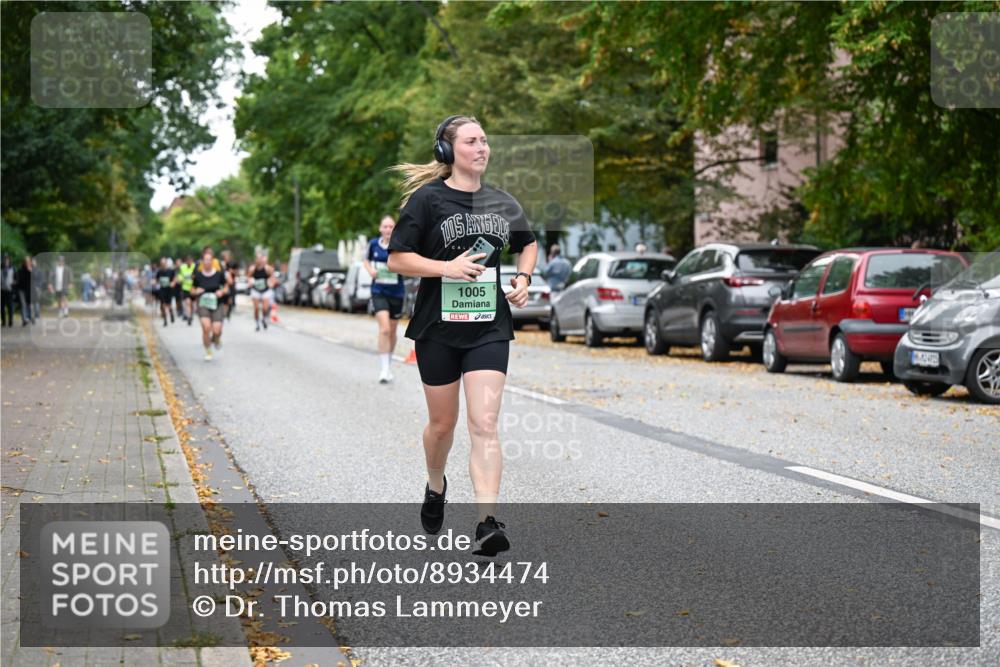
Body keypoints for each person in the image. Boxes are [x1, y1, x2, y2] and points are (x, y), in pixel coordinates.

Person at [387, 114, 537, 556]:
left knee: (484, 424)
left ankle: (486, 522)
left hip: (488, 327)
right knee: (442, 424)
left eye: (485, 141)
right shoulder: (426, 201)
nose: (482, 148)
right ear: (447, 151)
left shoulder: (503, 202)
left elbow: (526, 242)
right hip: (438, 329)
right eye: (472, 141)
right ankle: (436, 486)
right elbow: (398, 259)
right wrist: (445, 268)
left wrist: (524, 279)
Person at [364, 215, 405, 383]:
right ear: (380, 229)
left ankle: (388, 362)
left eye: (391, 227)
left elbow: (407, 263)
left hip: (396, 293)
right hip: (378, 290)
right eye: (385, 227)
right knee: (385, 329)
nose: (388, 229)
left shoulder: (400, 244)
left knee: (393, 332)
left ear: (395, 229)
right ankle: (384, 369)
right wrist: (371, 271)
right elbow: (366, 260)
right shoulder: (373, 244)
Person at [191, 247, 229, 361]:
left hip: (217, 303)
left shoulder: (218, 274)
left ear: (213, 261)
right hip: (203, 303)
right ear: (202, 261)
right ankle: (208, 351)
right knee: (206, 327)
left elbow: (226, 287)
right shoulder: (198, 275)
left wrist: (222, 292)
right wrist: (196, 291)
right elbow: (192, 290)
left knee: (217, 330)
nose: (207, 262)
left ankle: (216, 338)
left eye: (209, 260)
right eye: (205, 260)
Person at [247, 252, 276, 332]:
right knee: (256, 308)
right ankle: (257, 323)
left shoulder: (267, 268)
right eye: (257, 258)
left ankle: (264, 318)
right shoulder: (252, 269)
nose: (259, 260)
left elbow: (273, 277)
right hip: (256, 289)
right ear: (255, 260)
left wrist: (271, 283)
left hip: (265, 290)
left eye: (260, 258)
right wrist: (250, 282)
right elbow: (248, 277)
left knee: (265, 308)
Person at [154, 257, 176, 327]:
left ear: (166, 263)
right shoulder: (159, 271)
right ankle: (165, 320)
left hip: (169, 290)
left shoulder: (171, 271)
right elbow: (156, 279)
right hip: (162, 290)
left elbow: (175, 279)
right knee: (163, 305)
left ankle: (171, 313)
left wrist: (173, 283)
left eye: (164, 263)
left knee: (169, 305)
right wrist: (154, 282)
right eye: (162, 263)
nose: (163, 264)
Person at [178, 255, 196, 325]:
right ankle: (189, 317)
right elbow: (180, 275)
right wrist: (180, 279)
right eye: (188, 261)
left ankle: (191, 315)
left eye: (190, 261)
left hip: (193, 288)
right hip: (185, 288)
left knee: (192, 304)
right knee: (187, 302)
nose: (189, 262)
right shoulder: (183, 267)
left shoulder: (195, 266)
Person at [16, 256, 34, 326]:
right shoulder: (20, 270)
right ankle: (24, 319)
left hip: (29, 290)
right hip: (21, 290)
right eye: (26, 262)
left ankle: (29, 317)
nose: (27, 263)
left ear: (30, 262)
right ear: (24, 263)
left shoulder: (32, 270)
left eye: (28, 261)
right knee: (23, 304)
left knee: (29, 304)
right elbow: (19, 280)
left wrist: (30, 271)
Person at [1, 255, 15, 327]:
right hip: (2, 290)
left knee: (10, 307)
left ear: (9, 261)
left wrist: (14, 283)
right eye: (5, 261)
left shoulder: (12, 269)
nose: (6, 262)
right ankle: (3, 321)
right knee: (2, 307)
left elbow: (16, 278)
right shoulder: (1, 269)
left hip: (10, 290)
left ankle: (10, 321)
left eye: (7, 260)